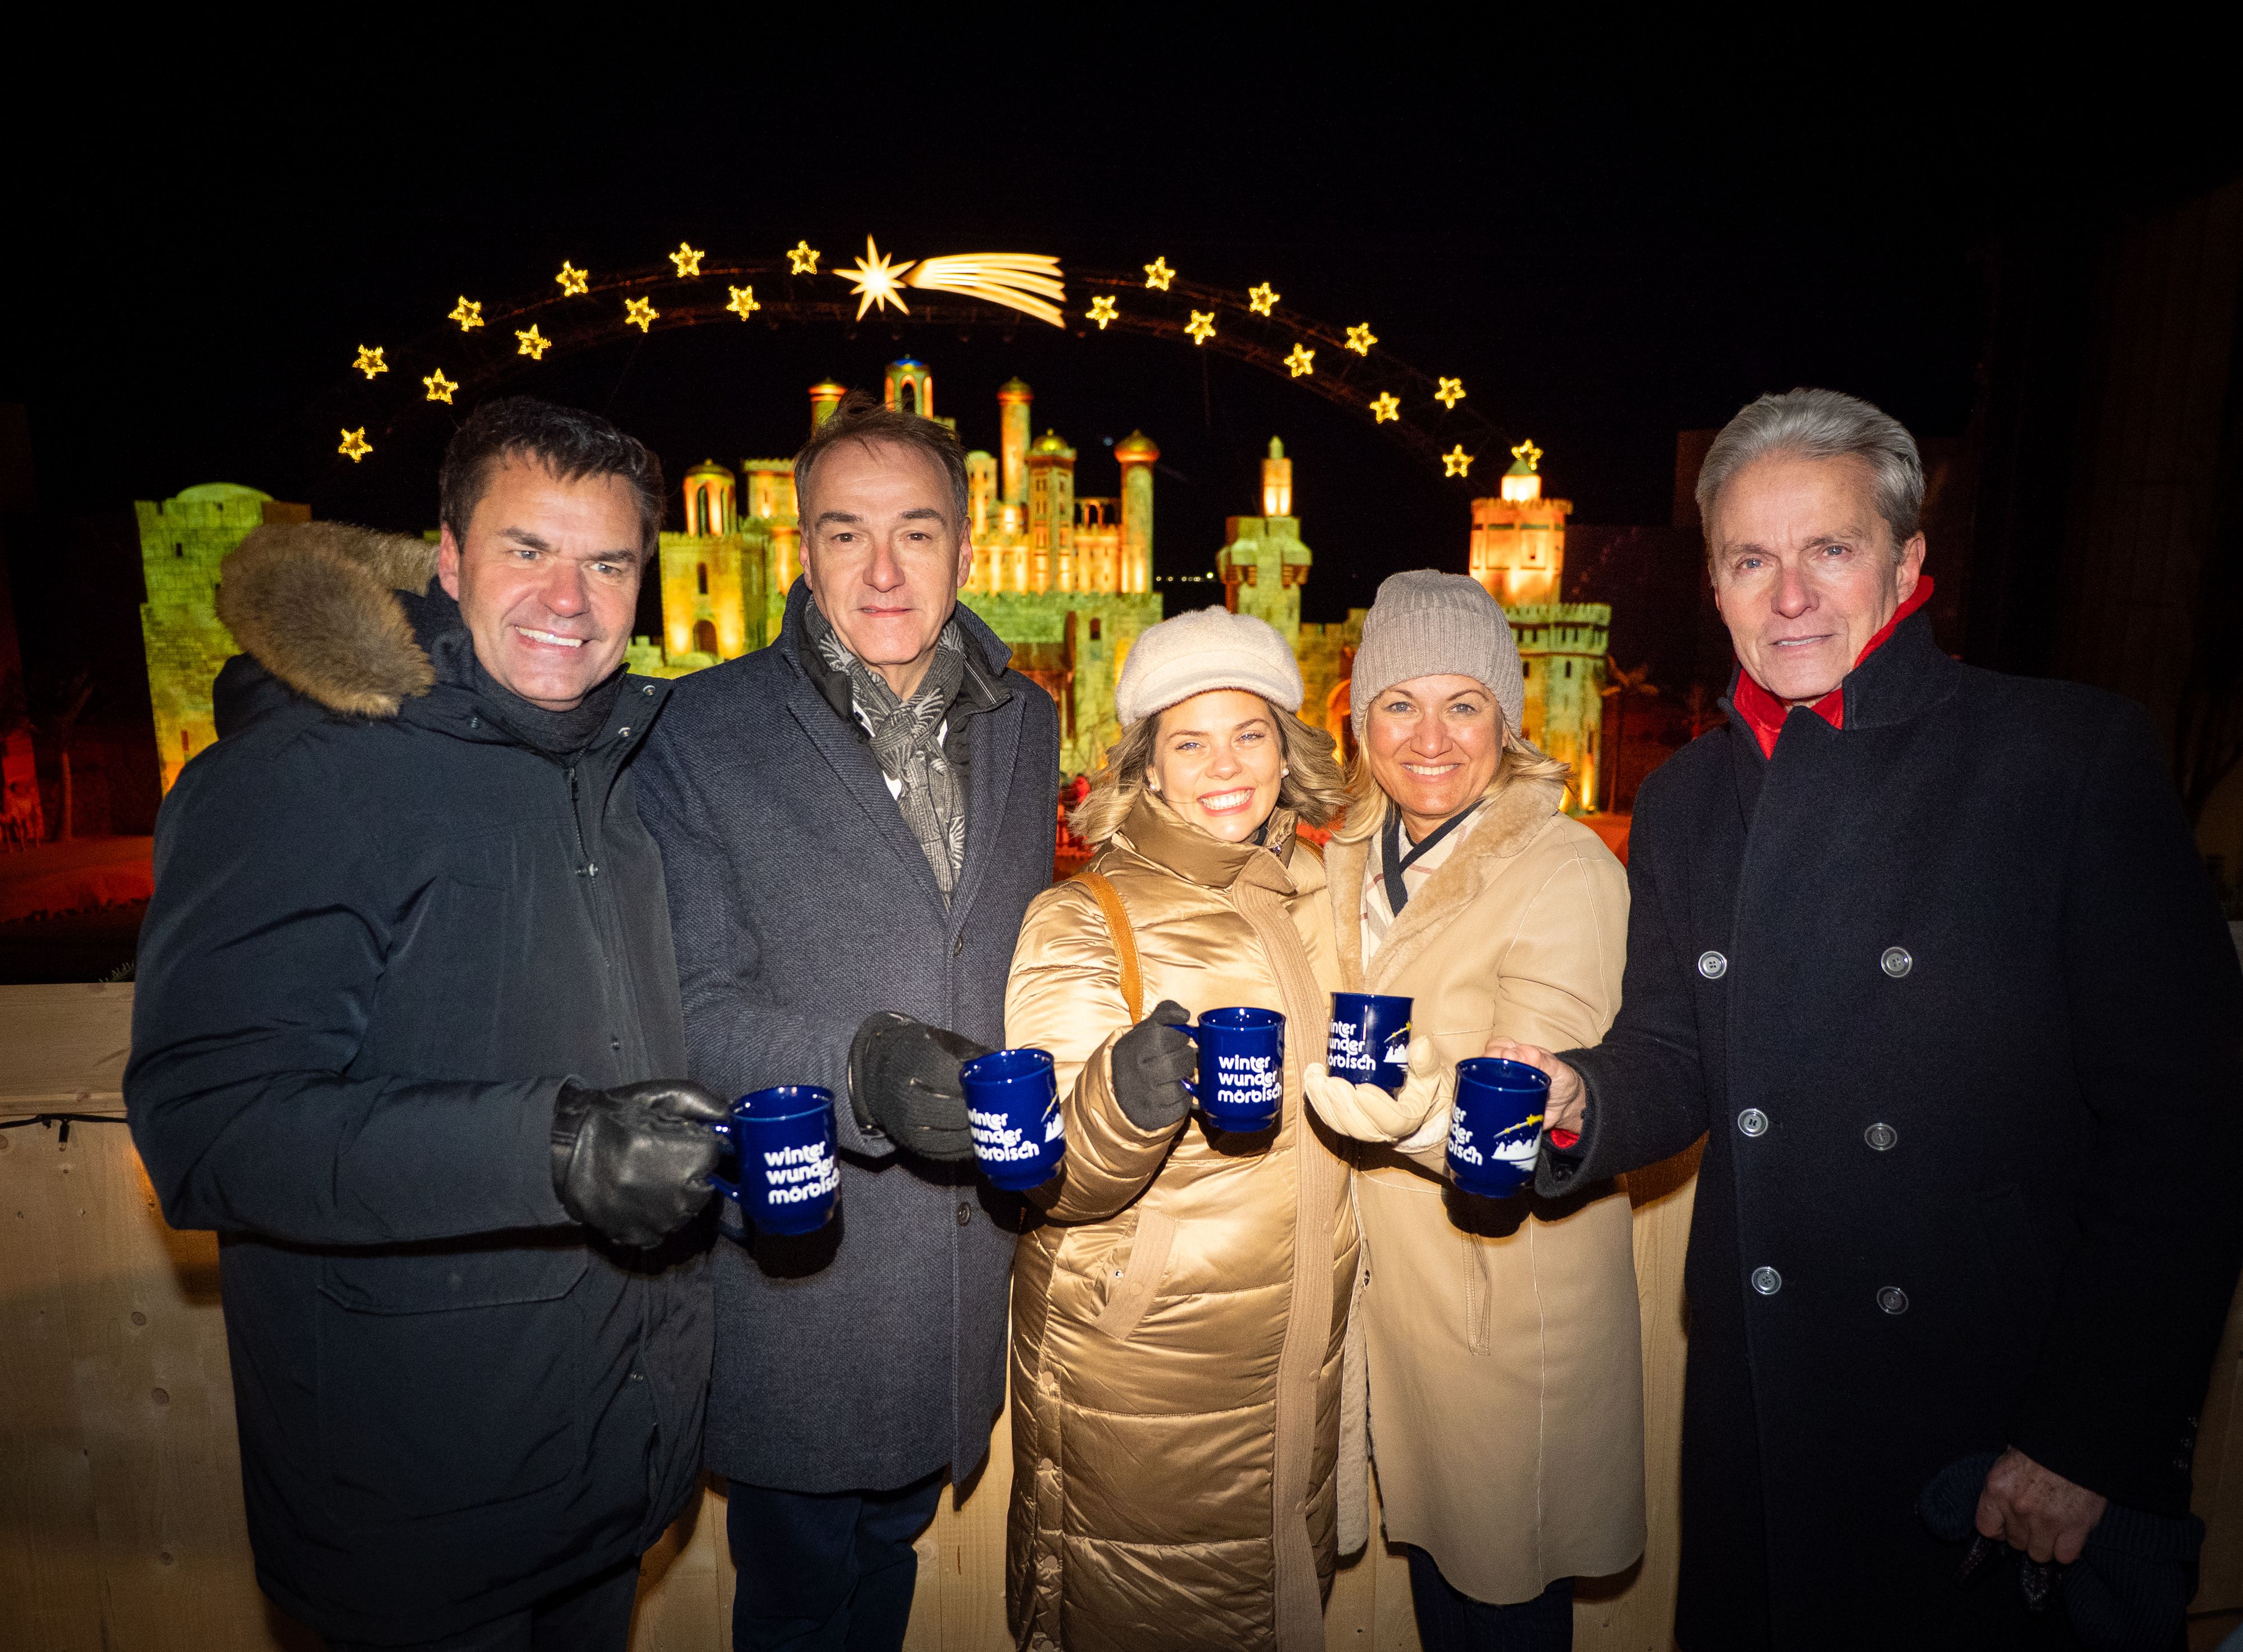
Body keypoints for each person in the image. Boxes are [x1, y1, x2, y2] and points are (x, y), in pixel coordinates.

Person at [1490, 389, 2243, 1649]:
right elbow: (1676, 1054)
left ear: (1906, 562)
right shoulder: (1682, 801)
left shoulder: (2063, 759)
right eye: (1750, 560)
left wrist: (2085, 1436)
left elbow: (2190, 1128)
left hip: (1989, 1430)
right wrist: (1581, 1098)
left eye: (1827, 550)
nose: (1788, 596)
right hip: (1762, 1404)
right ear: (1714, 589)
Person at [127, 399, 723, 1650]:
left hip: (602, 1468)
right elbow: (209, 1126)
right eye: (527, 551)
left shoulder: (611, 772)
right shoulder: (301, 772)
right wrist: (550, 1149)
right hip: (417, 1506)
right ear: (447, 559)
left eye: (606, 563)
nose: (569, 598)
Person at [635, 394, 1059, 1651]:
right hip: (803, 1285)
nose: (882, 571)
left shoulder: (1024, 720)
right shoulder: (699, 731)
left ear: (966, 551)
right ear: (800, 551)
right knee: (801, 1604)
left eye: (916, 533)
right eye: (844, 534)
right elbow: (689, 1013)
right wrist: (860, 1071)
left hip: (961, 1283)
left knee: (888, 1573)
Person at [1001, 606, 1361, 1652]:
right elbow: (1050, 1180)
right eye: (1188, 740)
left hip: (1290, 1361)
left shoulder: (1303, 895)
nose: (1224, 766)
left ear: (1287, 750)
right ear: (1146, 767)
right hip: (1144, 1373)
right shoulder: (1083, 915)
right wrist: (1124, 1102)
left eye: (1249, 732)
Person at [1302, 571, 1644, 1650]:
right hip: (1392, 1302)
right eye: (1401, 703)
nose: (1432, 738)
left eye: (1465, 704)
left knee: (1502, 1603)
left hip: (1501, 1304)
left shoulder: (1563, 867)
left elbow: (1534, 1096)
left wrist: (1396, 1107)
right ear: (1360, 723)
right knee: (1442, 1594)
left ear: (1509, 716)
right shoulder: (1342, 857)